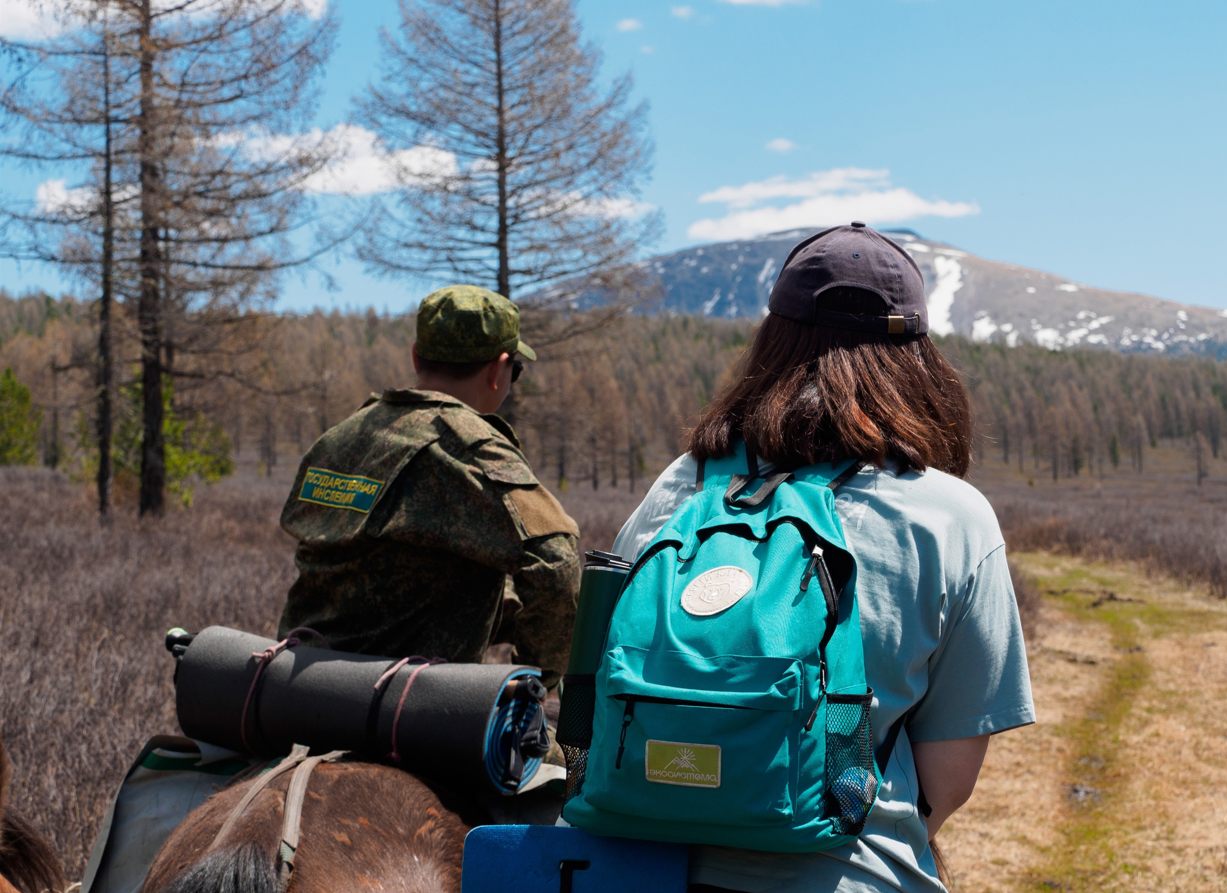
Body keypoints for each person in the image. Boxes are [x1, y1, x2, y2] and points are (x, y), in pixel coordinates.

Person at [610, 223, 1036, 892]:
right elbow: (946, 783)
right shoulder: (950, 515)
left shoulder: (684, 483)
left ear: (771, 343)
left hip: (639, 866)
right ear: (917, 359)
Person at [278, 285, 581, 687]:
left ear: (416, 357)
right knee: (574, 749)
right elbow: (557, 567)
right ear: (498, 369)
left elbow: (387, 575)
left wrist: (499, 611)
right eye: (516, 371)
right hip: (404, 708)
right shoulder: (470, 446)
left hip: (293, 689)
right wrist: (536, 683)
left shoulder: (340, 438)